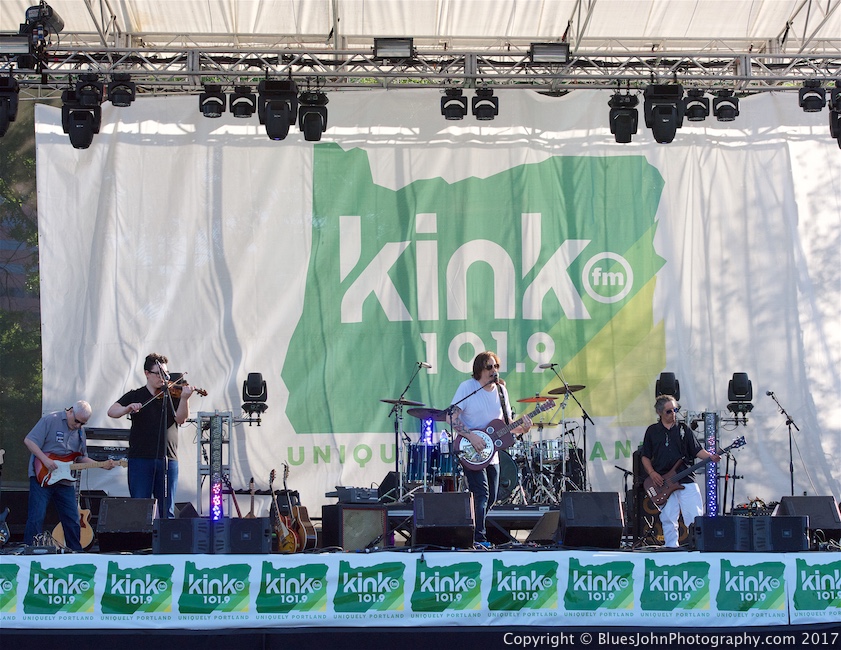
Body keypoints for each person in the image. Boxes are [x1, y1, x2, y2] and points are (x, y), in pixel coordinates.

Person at [450, 351, 532, 547]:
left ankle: (468, 528)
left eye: (496, 366)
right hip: (471, 449)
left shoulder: (502, 391)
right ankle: (479, 537)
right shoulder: (467, 388)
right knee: (482, 493)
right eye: (489, 367)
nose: (494, 371)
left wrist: (524, 427)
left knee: (493, 496)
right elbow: (451, 417)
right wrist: (471, 436)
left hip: (491, 453)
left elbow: (507, 423)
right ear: (479, 369)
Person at [107, 353, 194, 518]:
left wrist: (185, 399)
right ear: (147, 373)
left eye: (165, 374)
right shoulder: (136, 395)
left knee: (167, 510)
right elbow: (112, 411)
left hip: (168, 458)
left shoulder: (171, 395)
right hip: (140, 459)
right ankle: (142, 543)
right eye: (158, 373)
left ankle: (166, 543)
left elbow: (181, 419)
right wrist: (127, 408)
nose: (163, 378)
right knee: (140, 508)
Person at [24, 401, 115, 550]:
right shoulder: (50, 420)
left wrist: (101, 465)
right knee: (37, 515)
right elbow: (29, 441)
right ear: (70, 411)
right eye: (77, 421)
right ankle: (30, 549)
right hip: (43, 476)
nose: (78, 425)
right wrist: (45, 460)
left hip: (64, 480)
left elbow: (80, 457)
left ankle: (75, 552)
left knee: (72, 518)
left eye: (82, 423)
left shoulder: (80, 432)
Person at [640, 394, 720, 548]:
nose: (673, 414)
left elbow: (697, 450)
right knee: (668, 516)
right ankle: (671, 546)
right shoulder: (652, 431)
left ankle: (698, 545)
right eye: (668, 411)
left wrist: (711, 456)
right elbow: (645, 456)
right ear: (659, 413)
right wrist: (652, 473)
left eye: (675, 410)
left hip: (686, 478)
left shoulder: (683, 429)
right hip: (663, 481)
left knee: (694, 515)